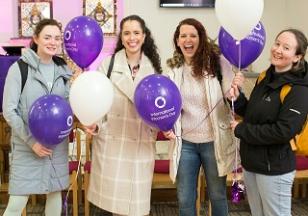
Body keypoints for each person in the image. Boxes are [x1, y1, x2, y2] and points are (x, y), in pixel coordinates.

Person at [84, 15, 162, 216]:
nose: (131, 38)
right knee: (114, 209)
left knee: (137, 209)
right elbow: (97, 102)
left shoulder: (155, 69)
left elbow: (160, 109)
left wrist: (163, 126)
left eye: (136, 33)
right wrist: (95, 125)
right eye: (126, 33)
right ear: (121, 37)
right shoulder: (107, 65)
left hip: (140, 146)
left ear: (144, 36)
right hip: (113, 145)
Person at [229, 29, 308, 216]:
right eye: (277, 43)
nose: (278, 49)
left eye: (286, 47)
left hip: (274, 169)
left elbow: (283, 131)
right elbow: (252, 114)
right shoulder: (265, 76)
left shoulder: (299, 89)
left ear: (297, 57)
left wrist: (241, 130)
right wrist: (236, 98)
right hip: (251, 164)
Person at [163, 18, 237, 216]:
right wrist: (165, 124)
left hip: (214, 142)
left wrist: (234, 88)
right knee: (185, 198)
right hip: (185, 143)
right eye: (183, 36)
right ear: (177, 41)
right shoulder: (173, 70)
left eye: (193, 35)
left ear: (201, 38)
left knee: (218, 195)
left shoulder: (218, 63)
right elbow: (169, 105)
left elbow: (232, 95)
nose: (188, 40)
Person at [2, 19, 71, 216]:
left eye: (57, 38)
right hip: (27, 146)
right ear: (36, 39)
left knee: (54, 193)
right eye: (47, 37)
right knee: (17, 201)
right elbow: (9, 110)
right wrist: (32, 142)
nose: (53, 42)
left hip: (56, 146)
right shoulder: (20, 69)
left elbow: (67, 105)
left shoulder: (63, 69)